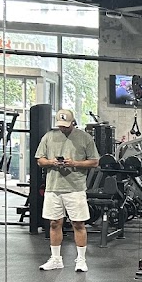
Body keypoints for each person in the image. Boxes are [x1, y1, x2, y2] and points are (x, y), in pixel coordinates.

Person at [35, 108, 99, 272]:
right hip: (53, 187)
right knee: (54, 223)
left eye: (66, 125)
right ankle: (56, 259)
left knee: (78, 223)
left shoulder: (84, 138)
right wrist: (51, 162)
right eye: (60, 125)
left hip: (75, 188)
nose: (63, 128)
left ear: (73, 122)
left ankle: (81, 260)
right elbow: (40, 160)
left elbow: (94, 162)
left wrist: (75, 163)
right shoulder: (49, 137)